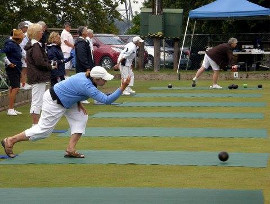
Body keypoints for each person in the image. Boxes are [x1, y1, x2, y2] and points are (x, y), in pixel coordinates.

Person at [1, 66, 131, 158]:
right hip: (54, 101)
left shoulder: (84, 76)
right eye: (104, 79)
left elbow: (72, 88)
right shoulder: (87, 86)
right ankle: (11, 140)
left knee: (81, 117)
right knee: (43, 131)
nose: (106, 81)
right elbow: (107, 100)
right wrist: (122, 87)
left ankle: (70, 149)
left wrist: (78, 102)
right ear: (96, 79)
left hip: (66, 100)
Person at [24, 23, 52, 125]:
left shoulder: (34, 44)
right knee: (37, 100)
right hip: (37, 76)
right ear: (36, 33)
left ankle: (37, 123)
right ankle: (35, 124)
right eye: (41, 31)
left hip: (37, 75)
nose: (42, 33)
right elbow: (39, 61)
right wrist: (50, 66)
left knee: (39, 99)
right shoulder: (35, 45)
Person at [0, 29, 24, 116]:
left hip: (16, 68)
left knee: (13, 88)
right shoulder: (10, 44)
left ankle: (11, 108)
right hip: (12, 69)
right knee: (15, 88)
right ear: (18, 38)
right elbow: (2, 53)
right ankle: (10, 109)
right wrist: (9, 63)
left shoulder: (16, 45)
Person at [18, 21, 32, 90]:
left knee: (25, 69)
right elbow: (21, 47)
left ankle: (24, 83)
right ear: (22, 28)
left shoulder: (24, 35)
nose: (27, 29)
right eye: (25, 27)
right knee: (24, 69)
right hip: (22, 55)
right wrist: (25, 56)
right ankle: (22, 84)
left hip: (25, 55)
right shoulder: (20, 35)